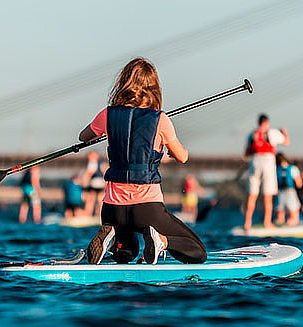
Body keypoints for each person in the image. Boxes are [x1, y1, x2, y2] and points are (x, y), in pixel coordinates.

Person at [79, 57, 207, 265]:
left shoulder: (107, 115)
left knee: (126, 254)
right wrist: (172, 151)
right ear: (153, 87)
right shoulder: (160, 120)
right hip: (147, 209)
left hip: (112, 210)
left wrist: (109, 129)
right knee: (197, 251)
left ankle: (112, 237)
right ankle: (161, 241)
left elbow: (83, 137)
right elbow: (183, 156)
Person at [243, 114, 290, 230]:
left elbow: (246, 154)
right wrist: (284, 133)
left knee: (252, 195)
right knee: (267, 195)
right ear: (267, 123)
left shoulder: (252, 134)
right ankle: (267, 222)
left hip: (254, 161)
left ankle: (247, 223)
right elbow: (286, 142)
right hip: (268, 162)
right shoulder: (273, 132)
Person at [275, 153, 303, 226]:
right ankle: (291, 224)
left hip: (279, 193)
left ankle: (280, 225)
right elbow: (299, 184)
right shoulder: (293, 168)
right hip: (290, 193)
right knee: (294, 217)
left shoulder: (276, 169)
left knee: (280, 217)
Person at [82, 151, 107, 217]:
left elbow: (89, 172)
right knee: (100, 200)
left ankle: (88, 214)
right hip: (101, 183)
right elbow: (105, 171)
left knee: (90, 200)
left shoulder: (92, 162)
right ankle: (99, 214)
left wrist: (84, 182)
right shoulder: (102, 163)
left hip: (94, 183)